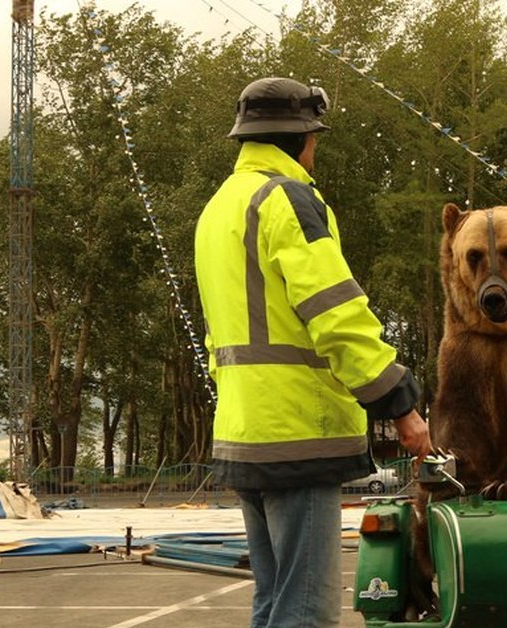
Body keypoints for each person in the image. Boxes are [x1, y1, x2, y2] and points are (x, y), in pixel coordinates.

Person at [194, 77, 432, 628]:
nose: (316, 148)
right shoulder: (286, 199)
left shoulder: (219, 209)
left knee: (273, 602)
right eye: (315, 136)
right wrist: (400, 403)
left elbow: (219, 337)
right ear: (300, 137)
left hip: (245, 433)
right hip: (296, 432)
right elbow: (336, 315)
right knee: (307, 612)